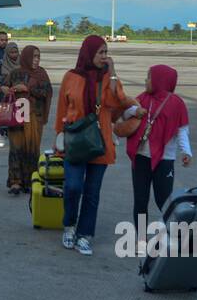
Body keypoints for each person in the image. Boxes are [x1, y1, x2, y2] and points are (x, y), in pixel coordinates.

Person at [54, 35, 137, 255]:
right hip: (75, 142)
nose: (104, 56)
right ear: (88, 53)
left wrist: (113, 72)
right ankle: (69, 226)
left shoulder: (107, 79)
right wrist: (59, 139)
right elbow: (62, 109)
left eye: (106, 52)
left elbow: (117, 101)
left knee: (92, 192)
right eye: (100, 52)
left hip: (99, 142)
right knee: (72, 187)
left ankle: (85, 234)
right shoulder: (71, 77)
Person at [121, 65, 192, 255]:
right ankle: (141, 240)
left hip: (164, 160)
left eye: (149, 78)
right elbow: (124, 113)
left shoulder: (176, 103)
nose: (146, 81)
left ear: (161, 80)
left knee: (164, 201)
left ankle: (171, 237)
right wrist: (135, 112)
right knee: (141, 200)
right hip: (141, 158)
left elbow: (182, 130)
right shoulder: (142, 98)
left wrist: (186, 152)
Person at [0, 44, 53, 195]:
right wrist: (6, 89)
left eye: (38, 57)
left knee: (32, 149)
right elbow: (2, 86)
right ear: (27, 57)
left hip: (34, 117)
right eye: (34, 57)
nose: (36, 60)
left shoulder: (41, 74)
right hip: (17, 114)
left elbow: (46, 93)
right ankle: (15, 182)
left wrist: (28, 89)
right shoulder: (15, 73)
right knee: (15, 148)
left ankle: (30, 181)